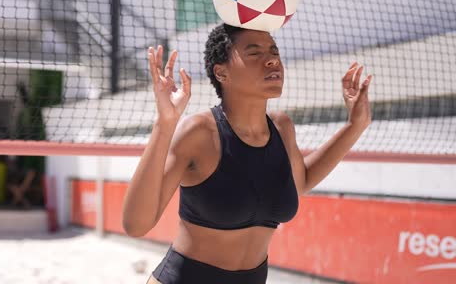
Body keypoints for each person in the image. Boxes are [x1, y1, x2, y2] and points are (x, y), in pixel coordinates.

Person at [122, 23, 373, 284]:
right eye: (254, 53)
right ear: (221, 73)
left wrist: (355, 126)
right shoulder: (199, 132)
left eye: (274, 51)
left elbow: (302, 180)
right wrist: (165, 123)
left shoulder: (281, 127)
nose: (272, 60)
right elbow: (136, 225)